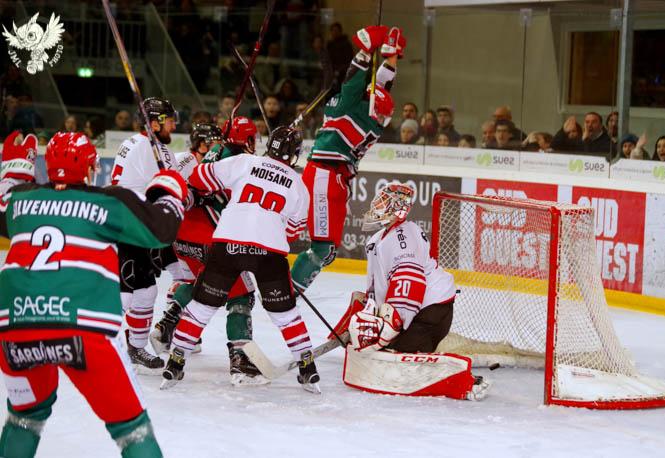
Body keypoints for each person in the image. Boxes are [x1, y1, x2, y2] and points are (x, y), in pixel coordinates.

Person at [0, 131, 187, 458]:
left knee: (25, 417)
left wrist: (14, 170)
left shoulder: (19, 200)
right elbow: (162, 231)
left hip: (16, 329)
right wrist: (170, 190)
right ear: (90, 168)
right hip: (83, 330)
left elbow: (6, 205)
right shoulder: (109, 200)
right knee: (131, 427)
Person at [161, 123, 319, 393]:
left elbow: (198, 177)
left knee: (202, 307)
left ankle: (175, 362)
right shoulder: (298, 184)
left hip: (228, 243)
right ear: (294, 154)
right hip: (269, 251)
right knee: (286, 315)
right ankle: (308, 368)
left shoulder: (245, 162)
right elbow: (292, 232)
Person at [342, 183, 489, 401]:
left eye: (384, 202)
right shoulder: (379, 239)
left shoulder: (404, 236)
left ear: (398, 209)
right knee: (383, 351)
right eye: (379, 200)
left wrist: (390, 326)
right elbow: (380, 284)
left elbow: (410, 282)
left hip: (430, 311)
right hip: (418, 309)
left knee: (397, 356)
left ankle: (463, 380)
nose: (377, 206)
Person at [150, 121, 269, 386]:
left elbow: (189, 188)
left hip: (182, 234)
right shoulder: (245, 162)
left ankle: (167, 324)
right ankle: (241, 361)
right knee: (241, 294)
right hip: (210, 236)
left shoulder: (211, 154)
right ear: (248, 140)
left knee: (202, 284)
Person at [290, 25, 403, 293]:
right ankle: (290, 290)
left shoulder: (351, 105)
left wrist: (368, 50)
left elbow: (360, 80)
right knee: (323, 248)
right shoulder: (368, 114)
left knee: (327, 250)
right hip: (324, 175)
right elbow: (379, 85)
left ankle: (293, 287)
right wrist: (390, 56)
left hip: (333, 176)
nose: (383, 118)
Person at [111, 97, 180, 370]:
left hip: (141, 228)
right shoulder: (142, 146)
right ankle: (95, 342)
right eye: (169, 120)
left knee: (146, 291)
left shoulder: (157, 148)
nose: (174, 125)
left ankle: (136, 348)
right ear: (155, 123)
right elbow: (156, 190)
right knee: (126, 293)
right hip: (127, 225)